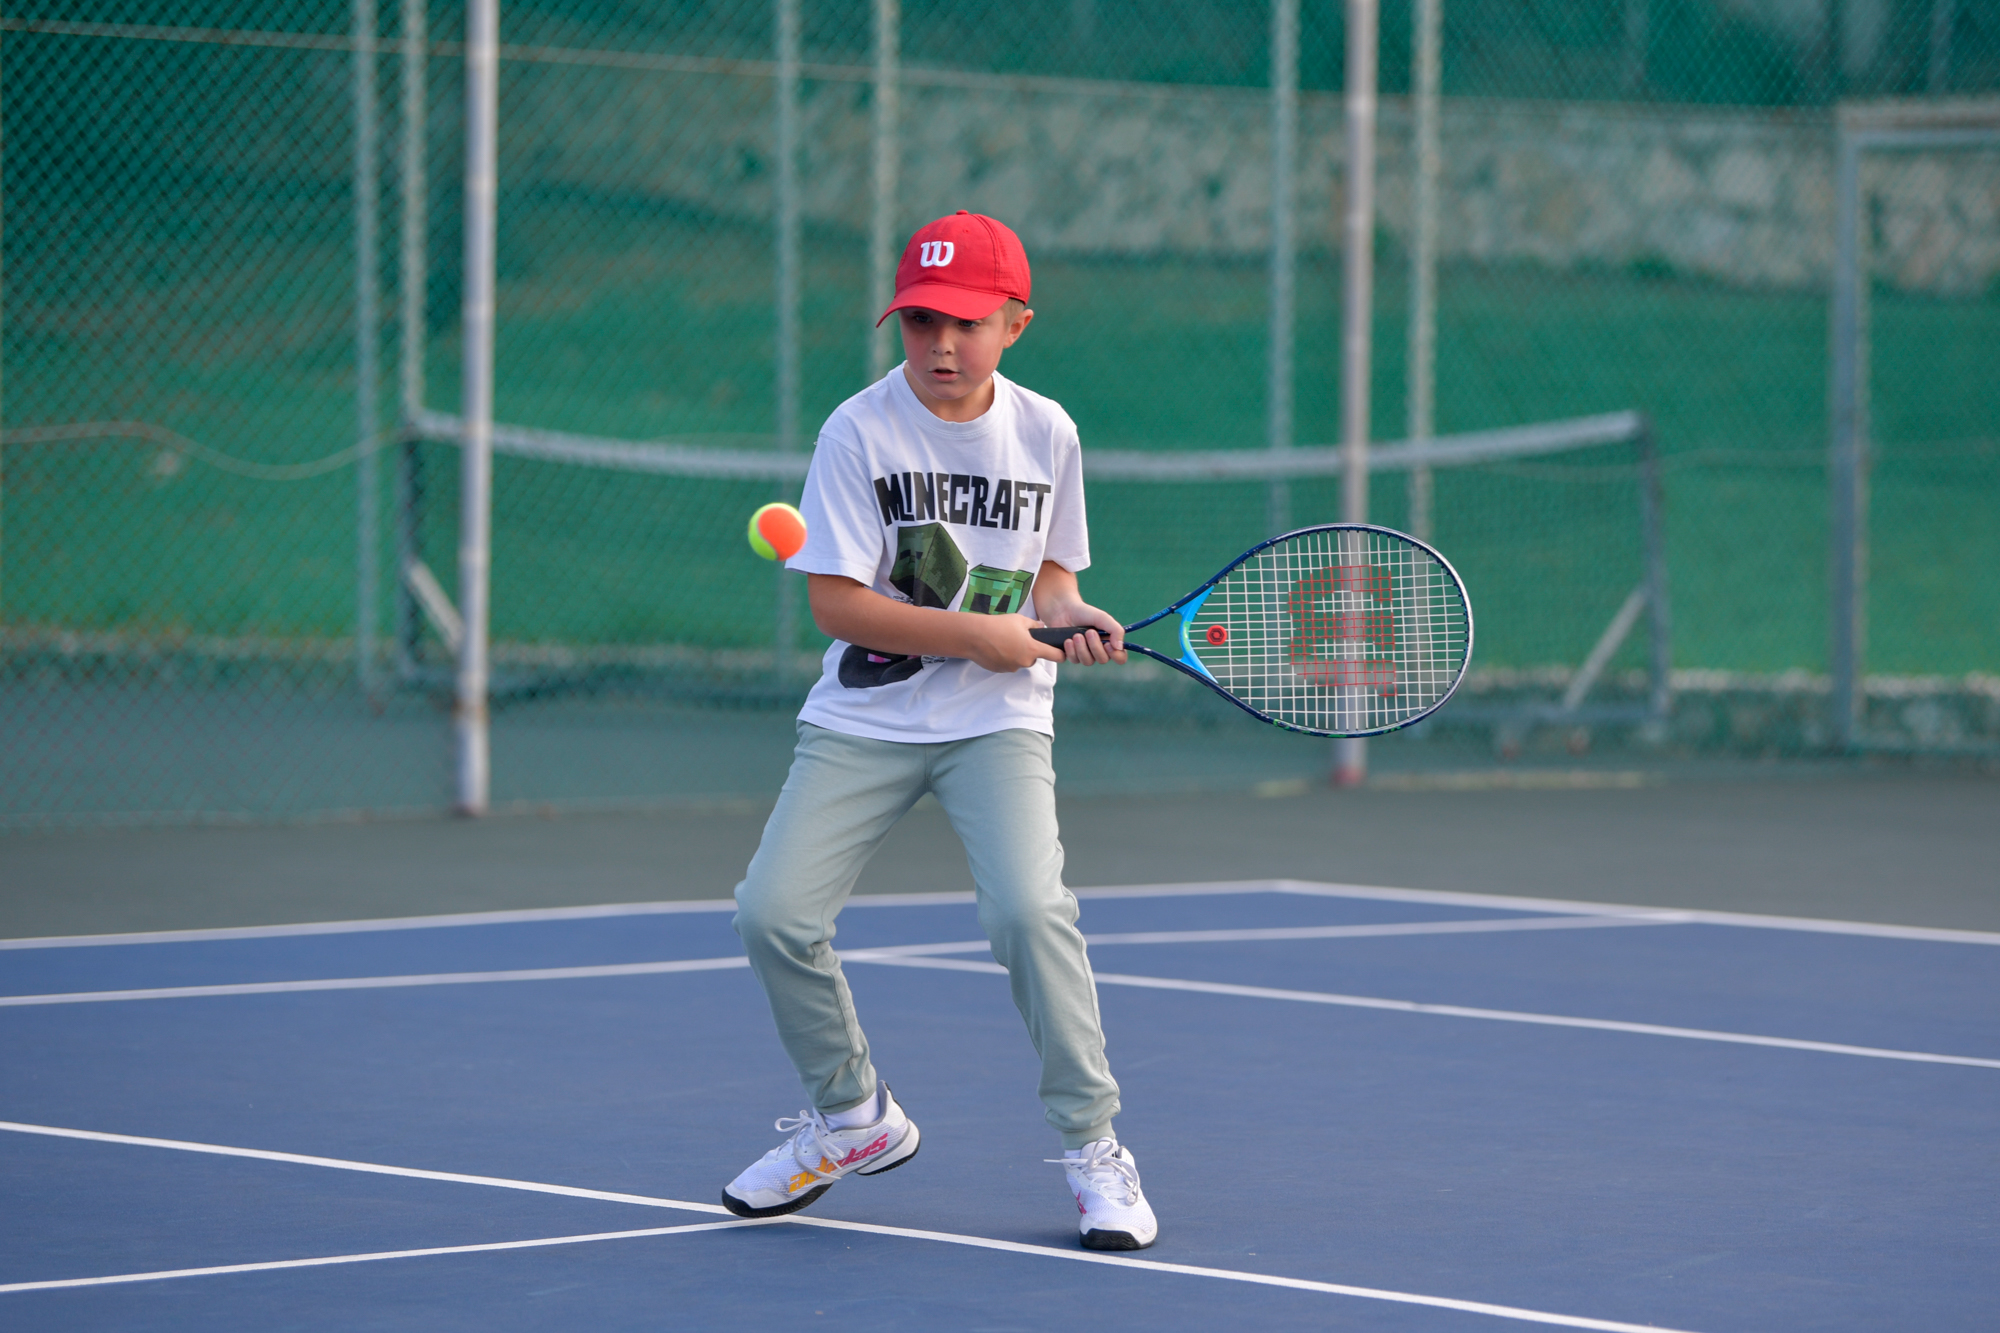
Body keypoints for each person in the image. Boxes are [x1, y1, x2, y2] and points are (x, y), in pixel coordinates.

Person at [720, 210, 1157, 1252]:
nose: (942, 343)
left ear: (1016, 323)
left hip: (996, 721)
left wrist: (1068, 618)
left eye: (967, 322)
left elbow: (1053, 582)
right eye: (921, 320)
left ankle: (1094, 1145)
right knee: (772, 914)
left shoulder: (1048, 432)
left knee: (1030, 913)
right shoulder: (856, 430)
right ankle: (851, 1117)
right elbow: (836, 604)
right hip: (865, 715)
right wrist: (979, 635)